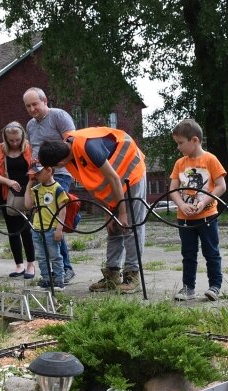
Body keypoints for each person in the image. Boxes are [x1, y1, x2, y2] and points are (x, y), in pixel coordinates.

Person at [38, 127, 147, 293]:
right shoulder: (69, 152)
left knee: (130, 227)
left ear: (59, 164)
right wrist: (107, 212)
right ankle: (112, 275)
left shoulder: (88, 147)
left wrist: (122, 212)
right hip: (114, 183)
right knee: (113, 229)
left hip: (130, 173)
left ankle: (132, 276)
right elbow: (96, 185)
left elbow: (114, 178)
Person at [166, 118, 227, 302]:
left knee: (211, 252)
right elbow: (173, 189)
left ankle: (215, 286)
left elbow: (221, 186)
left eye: (180, 143)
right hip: (184, 217)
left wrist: (203, 202)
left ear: (195, 140)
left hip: (207, 215)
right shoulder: (179, 163)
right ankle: (188, 288)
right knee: (188, 254)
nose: (178, 147)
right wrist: (181, 204)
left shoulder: (210, 159)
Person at [23, 87, 76, 283]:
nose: (32, 109)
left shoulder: (59, 116)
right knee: (43, 224)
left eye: (35, 104)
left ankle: (65, 269)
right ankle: (51, 270)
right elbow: (33, 150)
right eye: (28, 106)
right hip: (38, 176)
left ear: (45, 101)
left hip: (58, 175)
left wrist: (63, 161)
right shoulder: (30, 125)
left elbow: (73, 142)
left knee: (54, 223)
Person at [0, 122, 36, 279]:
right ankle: (19, 265)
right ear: (6, 138)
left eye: (17, 140)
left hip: (27, 193)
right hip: (7, 194)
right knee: (13, 230)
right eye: (11, 140)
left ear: (22, 136)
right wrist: (8, 182)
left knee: (26, 229)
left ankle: (31, 264)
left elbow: (36, 168)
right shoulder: (0, 149)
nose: (14, 143)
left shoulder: (29, 147)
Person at [23, 158, 68, 290]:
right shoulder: (36, 189)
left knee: (55, 256)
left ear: (49, 170)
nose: (35, 176)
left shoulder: (58, 189)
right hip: (37, 228)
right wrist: (29, 185)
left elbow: (62, 210)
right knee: (41, 257)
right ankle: (46, 279)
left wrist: (59, 228)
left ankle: (59, 280)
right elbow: (28, 205)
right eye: (34, 174)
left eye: (38, 173)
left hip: (51, 228)